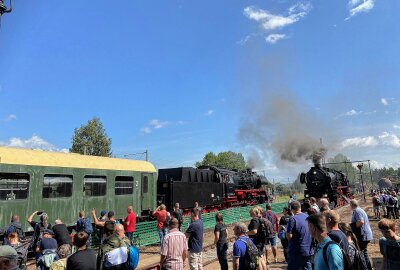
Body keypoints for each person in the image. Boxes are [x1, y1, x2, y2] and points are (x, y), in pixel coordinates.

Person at [286, 201, 313, 270]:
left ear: (291, 209)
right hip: (308, 250)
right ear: (300, 207)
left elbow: (289, 236)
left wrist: (285, 233)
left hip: (297, 251)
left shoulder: (292, 219)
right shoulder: (307, 216)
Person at [350, 199, 373, 270]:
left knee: (361, 253)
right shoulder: (359, 210)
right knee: (364, 252)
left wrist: (352, 225)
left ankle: (365, 268)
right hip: (365, 234)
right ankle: (368, 267)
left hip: (363, 235)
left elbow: (361, 222)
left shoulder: (357, 210)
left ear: (352, 205)